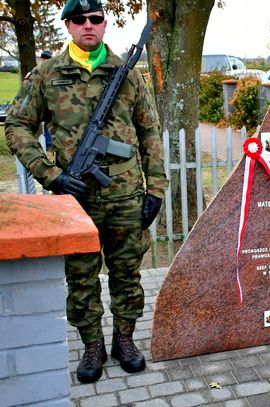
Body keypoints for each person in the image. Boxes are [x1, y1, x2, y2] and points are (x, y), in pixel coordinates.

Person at [5, 0, 168, 383]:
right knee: (81, 277)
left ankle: (124, 340)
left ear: (105, 24)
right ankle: (92, 345)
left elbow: (149, 133)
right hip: (73, 199)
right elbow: (16, 126)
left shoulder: (127, 75)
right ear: (68, 25)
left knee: (127, 274)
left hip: (126, 194)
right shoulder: (46, 74)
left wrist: (156, 189)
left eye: (95, 18)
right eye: (78, 19)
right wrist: (51, 175)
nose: (88, 25)